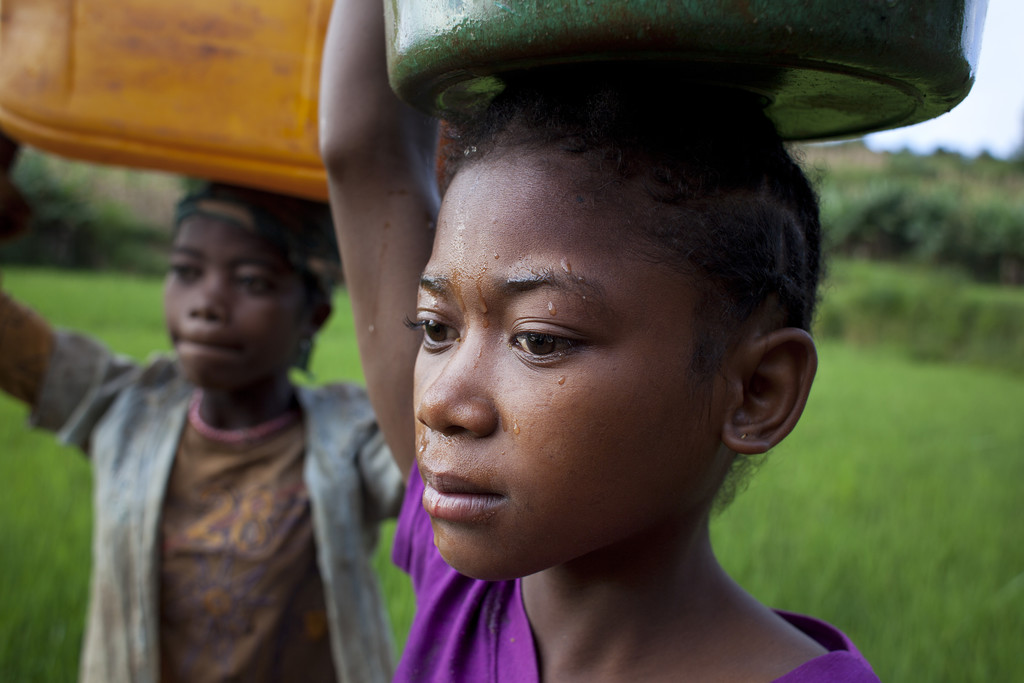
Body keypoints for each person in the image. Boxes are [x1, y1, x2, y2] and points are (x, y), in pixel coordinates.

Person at [320, 0, 882, 680]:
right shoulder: (466, 573)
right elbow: (361, 148)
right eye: (438, 328)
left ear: (758, 391)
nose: (442, 401)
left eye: (540, 340)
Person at [0, 182, 403, 683]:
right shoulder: (125, 408)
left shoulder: (349, 436)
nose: (207, 303)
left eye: (252, 282)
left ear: (313, 316)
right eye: (186, 272)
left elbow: (430, 461)